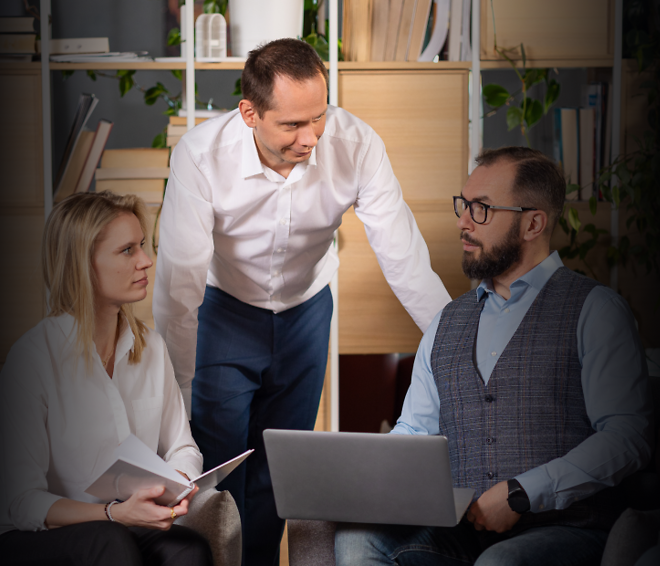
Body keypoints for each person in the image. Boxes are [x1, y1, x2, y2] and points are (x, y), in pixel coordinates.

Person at [153, 38, 453, 565]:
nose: (311, 136)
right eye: (292, 125)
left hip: (307, 310)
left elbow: (404, 256)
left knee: (280, 464)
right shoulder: (201, 156)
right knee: (221, 464)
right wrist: (175, 392)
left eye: (319, 117)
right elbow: (179, 287)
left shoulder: (356, 143)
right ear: (249, 113)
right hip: (224, 311)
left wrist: (457, 350)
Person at [332, 147, 653, 565]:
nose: (464, 222)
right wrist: (360, 478)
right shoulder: (446, 321)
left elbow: (627, 438)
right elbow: (414, 430)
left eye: (482, 209)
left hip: (565, 529)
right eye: (464, 205)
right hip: (461, 532)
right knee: (356, 541)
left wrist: (522, 493)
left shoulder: (596, 310)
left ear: (533, 223)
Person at [0, 192, 212, 566]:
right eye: (127, 251)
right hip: (24, 534)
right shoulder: (34, 357)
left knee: (189, 550)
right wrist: (115, 515)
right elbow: (23, 502)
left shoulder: (150, 347)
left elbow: (183, 447)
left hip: (117, 526)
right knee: (109, 542)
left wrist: (176, 483)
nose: (146, 261)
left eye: (143, 246)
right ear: (83, 264)